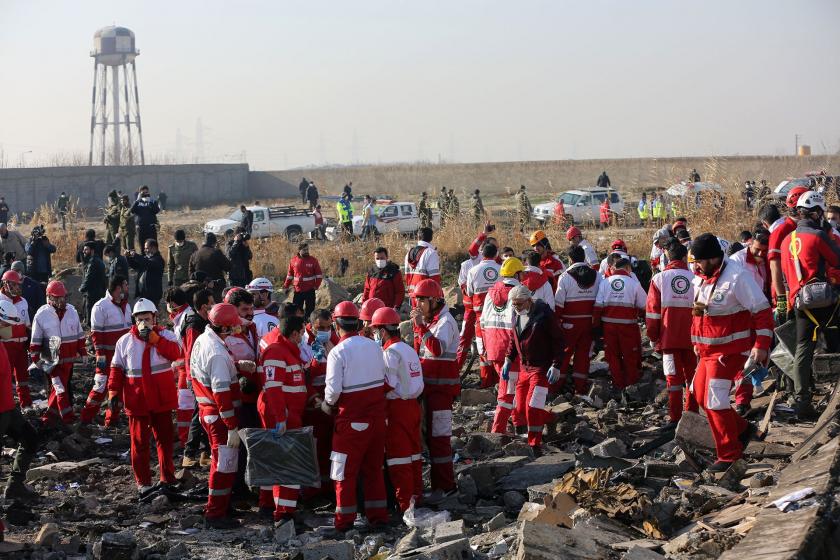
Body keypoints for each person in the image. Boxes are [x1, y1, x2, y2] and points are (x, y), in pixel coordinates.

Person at [690, 233, 771, 471]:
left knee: (715, 402)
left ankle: (729, 455)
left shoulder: (737, 278)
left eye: (699, 261)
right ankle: (744, 430)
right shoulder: (701, 278)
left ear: (713, 259)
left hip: (728, 353)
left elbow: (762, 311)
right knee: (701, 397)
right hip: (707, 351)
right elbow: (699, 312)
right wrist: (696, 341)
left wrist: (761, 345)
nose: (695, 265)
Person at [324, 301, 389, 532]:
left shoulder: (338, 353)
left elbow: (333, 392)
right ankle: (378, 517)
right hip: (377, 421)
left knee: (343, 472)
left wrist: (326, 405)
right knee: (373, 470)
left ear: (336, 323)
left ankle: (344, 521)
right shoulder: (373, 346)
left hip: (351, 422)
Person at [108, 298, 181, 494]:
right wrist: (113, 392)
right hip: (138, 399)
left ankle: (167, 477)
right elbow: (116, 368)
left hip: (161, 398)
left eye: (147, 319)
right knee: (139, 442)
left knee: (165, 441)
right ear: (134, 320)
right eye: (140, 319)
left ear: (155, 318)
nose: (144, 324)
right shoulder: (125, 341)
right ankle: (144, 483)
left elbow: (176, 354)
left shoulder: (167, 336)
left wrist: (156, 340)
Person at [780, 192, 840, 419]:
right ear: (815, 213)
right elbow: (837, 260)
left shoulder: (787, 240)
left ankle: (801, 400)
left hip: (800, 301)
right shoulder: (817, 236)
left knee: (803, 349)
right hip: (825, 300)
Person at [189, 303, 245, 528]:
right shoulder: (217, 353)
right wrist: (232, 426)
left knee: (222, 464)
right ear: (225, 328)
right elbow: (221, 393)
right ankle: (215, 514)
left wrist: (238, 366)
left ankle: (221, 505)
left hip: (209, 413)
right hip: (219, 418)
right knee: (224, 465)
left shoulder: (205, 340)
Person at [370, 306, 424, 513]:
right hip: (413, 406)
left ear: (383, 332)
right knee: (414, 455)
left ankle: (404, 505)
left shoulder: (390, 352)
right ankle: (416, 497)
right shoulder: (408, 348)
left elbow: (388, 383)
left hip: (397, 408)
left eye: (376, 331)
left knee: (398, 458)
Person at [255, 314, 306, 520]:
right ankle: (284, 514)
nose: (303, 336)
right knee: (286, 463)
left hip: (284, 413)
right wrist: (281, 419)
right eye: (302, 332)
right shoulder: (277, 352)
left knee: (273, 458)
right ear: (294, 333)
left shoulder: (288, 352)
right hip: (280, 415)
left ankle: (268, 505)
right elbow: (273, 388)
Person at [412, 279, 459, 495]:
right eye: (417, 300)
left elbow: (437, 350)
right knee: (432, 439)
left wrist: (421, 326)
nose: (418, 305)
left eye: (422, 300)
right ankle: (439, 483)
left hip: (441, 393)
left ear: (433, 300)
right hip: (430, 392)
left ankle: (446, 486)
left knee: (439, 440)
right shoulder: (433, 322)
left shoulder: (445, 322)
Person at [503, 284, 563, 456]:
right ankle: (551, 418)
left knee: (532, 407)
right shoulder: (516, 315)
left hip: (541, 368)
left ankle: (535, 444)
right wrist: (508, 359)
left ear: (529, 300)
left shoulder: (544, 315)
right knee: (520, 409)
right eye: (513, 304)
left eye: (519, 304)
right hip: (524, 367)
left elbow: (559, 340)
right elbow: (514, 340)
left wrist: (556, 364)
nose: (516, 307)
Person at [646, 242, 695, 424]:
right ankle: (692, 416)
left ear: (668, 257)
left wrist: (653, 337)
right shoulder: (695, 278)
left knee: (673, 380)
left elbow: (652, 312)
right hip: (693, 340)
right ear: (685, 258)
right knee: (693, 378)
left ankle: (675, 418)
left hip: (669, 340)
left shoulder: (659, 279)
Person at [30, 281, 85, 425]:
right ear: (49, 297)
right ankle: (68, 418)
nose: (62, 301)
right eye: (58, 298)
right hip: (51, 361)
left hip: (68, 361)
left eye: (63, 297)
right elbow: (35, 341)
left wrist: (83, 351)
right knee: (60, 389)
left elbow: (79, 334)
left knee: (59, 389)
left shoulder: (72, 311)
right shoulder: (41, 314)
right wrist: (37, 359)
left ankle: (50, 417)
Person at [0, 299, 39, 500]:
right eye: (6, 325)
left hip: (8, 409)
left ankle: (15, 485)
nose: (9, 329)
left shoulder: (1, 343)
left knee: (31, 439)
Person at [80, 276, 132, 425]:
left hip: (124, 358)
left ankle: (112, 420)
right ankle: (86, 418)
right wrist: (101, 360)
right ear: (118, 288)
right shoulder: (100, 307)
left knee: (119, 388)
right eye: (125, 285)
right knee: (100, 386)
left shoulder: (126, 306)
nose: (127, 288)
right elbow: (96, 336)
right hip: (106, 358)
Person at [482, 257, 525, 434]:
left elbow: (482, 322)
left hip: (493, 349)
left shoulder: (490, 293)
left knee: (511, 388)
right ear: (517, 274)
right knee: (507, 393)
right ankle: (498, 430)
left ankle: (519, 423)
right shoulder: (518, 294)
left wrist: (483, 348)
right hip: (510, 351)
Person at [594, 257, 647, 398]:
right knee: (629, 355)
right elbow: (645, 306)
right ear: (628, 268)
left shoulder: (605, 283)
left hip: (609, 326)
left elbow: (598, 306)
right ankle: (631, 386)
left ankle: (618, 384)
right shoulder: (634, 283)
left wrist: (596, 326)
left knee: (612, 356)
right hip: (628, 326)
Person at [554, 245, 601, 394]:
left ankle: (556, 387)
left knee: (564, 355)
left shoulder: (565, 277)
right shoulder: (598, 276)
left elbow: (558, 305)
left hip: (569, 324)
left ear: (569, 259)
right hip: (590, 323)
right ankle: (580, 388)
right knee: (583, 356)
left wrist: (556, 324)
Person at [180, 289, 215, 468]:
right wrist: (194, 377)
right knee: (198, 414)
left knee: (203, 413)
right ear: (203, 307)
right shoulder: (194, 325)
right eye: (211, 303)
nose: (214, 305)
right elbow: (192, 354)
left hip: (199, 375)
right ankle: (189, 453)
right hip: (196, 376)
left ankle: (204, 452)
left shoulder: (201, 322)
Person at [767, 188, 808, 324]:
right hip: (786, 296)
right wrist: (782, 305)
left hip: (802, 294)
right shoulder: (781, 231)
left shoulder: (804, 228)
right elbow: (775, 269)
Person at [466, 243, 501, 388]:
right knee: (498, 348)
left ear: (482, 254)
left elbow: (469, 293)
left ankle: (487, 382)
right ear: (496, 254)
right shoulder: (501, 269)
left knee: (483, 350)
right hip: (498, 316)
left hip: (481, 317)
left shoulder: (473, 271)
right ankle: (501, 382)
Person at [0, 271, 32, 407]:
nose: (17, 287)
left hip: (21, 345)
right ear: (5, 284)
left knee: (23, 377)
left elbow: (27, 325)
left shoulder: (23, 301)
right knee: (5, 377)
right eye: (13, 284)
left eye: (18, 284)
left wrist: (31, 341)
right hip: (6, 345)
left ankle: (25, 404)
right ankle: (7, 406)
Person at [729, 228, 771, 302]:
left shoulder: (769, 258)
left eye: (764, 251)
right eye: (757, 249)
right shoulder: (737, 259)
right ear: (750, 243)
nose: (760, 254)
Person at [283, 242, 323, 319]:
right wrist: (286, 286)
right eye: (304, 250)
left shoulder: (313, 260)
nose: (306, 251)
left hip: (310, 290)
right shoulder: (293, 261)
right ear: (299, 251)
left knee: (310, 310)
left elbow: (319, 275)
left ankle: (309, 324)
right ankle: (298, 323)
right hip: (298, 291)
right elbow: (289, 275)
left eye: (307, 249)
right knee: (296, 310)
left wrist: (316, 286)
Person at [190, 233, 231, 303]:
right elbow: (228, 267)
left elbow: (191, 275)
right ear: (214, 243)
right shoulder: (216, 252)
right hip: (216, 289)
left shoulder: (194, 254)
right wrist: (220, 252)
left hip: (200, 290)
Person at [405, 227, 441, 305]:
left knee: (416, 316)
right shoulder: (431, 253)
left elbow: (407, 277)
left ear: (418, 237)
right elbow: (434, 279)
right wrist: (439, 296)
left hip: (412, 295)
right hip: (425, 299)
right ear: (431, 238)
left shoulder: (408, 253)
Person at [128, 239, 165, 307]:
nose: (145, 250)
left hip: (153, 295)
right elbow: (135, 266)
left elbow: (148, 263)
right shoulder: (147, 258)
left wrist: (135, 255)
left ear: (154, 248)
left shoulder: (158, 260)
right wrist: (128, 257)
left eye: (147, 248)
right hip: (143, 294)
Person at [79, 242, 107, 326]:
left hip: (92, 294)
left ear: (92, 251)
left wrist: (82, 288)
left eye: (86, 250)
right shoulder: (99, 261)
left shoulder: (93, 262)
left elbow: (88, 278)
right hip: (99, 292)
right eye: (83, 250)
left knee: (91, 319)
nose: (84, 252)